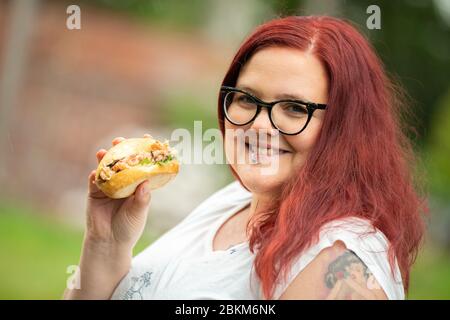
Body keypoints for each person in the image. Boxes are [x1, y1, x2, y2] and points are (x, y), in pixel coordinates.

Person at [63, 15, 426, 300]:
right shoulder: (233, 202)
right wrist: (106, 242)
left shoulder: (339, 257)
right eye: (248, 99)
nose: (259, 125)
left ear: (346, 126)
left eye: (295, 108)